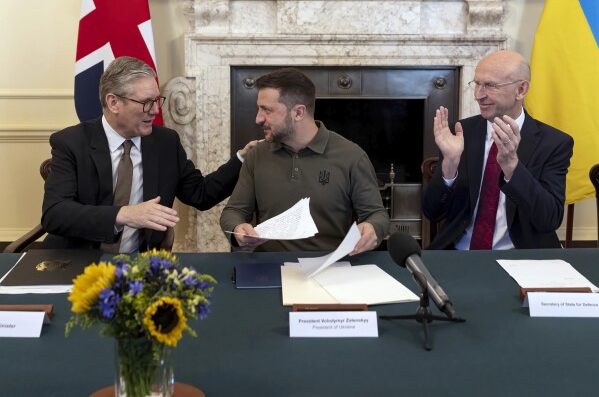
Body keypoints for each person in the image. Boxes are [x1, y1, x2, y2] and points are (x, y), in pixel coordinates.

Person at [42, 56, 257, 253]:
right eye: (147, 102)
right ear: (113, 102)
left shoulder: (165, 142)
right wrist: (123, 214)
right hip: (77, 261)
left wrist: (242, 159)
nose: (155, 110)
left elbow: (201, 194)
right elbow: (55, 213)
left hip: (140, 266)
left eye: (157, 100)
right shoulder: (71, 143)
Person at [219, 68, 390, 254]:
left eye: (267, 110)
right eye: (259, 109)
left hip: (330, 267)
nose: (258, 118)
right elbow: (233, 211)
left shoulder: (352, 156)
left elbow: (377, 215)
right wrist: (237, 228)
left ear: (299, 113)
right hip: (269, 266)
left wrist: (372, 228)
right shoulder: (256, 155)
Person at [422, 50, 573, 250]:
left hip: (522, 258)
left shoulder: (553, 143)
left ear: (521, 89)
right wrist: (449, 165)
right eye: (477, 84)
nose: (479, 95)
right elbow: (433, 212)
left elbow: (549, 219)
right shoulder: (459, 133)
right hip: (459, 255)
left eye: (490, 85)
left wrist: (512, 167)